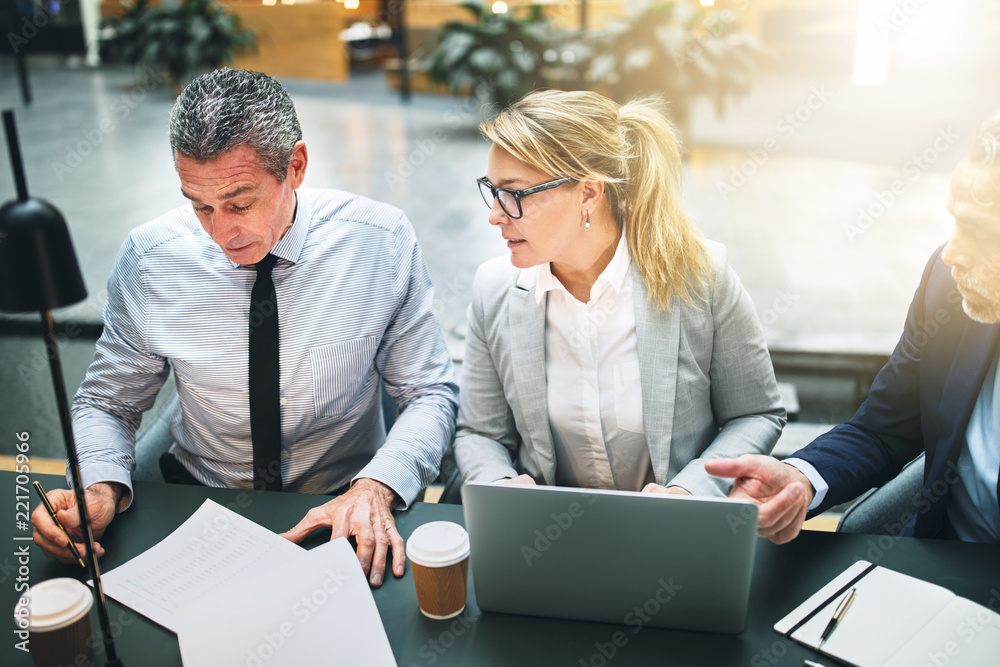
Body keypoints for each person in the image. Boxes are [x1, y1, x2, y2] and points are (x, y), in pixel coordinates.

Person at [30, 68, 459, 586]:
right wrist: (98, 486)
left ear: (295, 167)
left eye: (240, 203)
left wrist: (375, 487)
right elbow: (108, 402)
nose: (220, 232)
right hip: (200, 500)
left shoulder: (380, 242)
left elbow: (429, 392)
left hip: (342, 505)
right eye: (200, 205)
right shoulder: (152, 258)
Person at [453, 89, 785, 496]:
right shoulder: (495, 290)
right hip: (544, 536)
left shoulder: (700, 277)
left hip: (671, 536)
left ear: (589, 193)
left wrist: (691, 492)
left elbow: (755, 414)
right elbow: (480, 433)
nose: (495, 214)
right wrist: (500, 484)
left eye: (515, 194)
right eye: (492, 189)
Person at [707, 109, 1000, 544]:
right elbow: (882, 430)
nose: (952, 253)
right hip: (946, 559)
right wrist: (798, 479)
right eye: (955, 221)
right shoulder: (947, 288)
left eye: (976, 230)